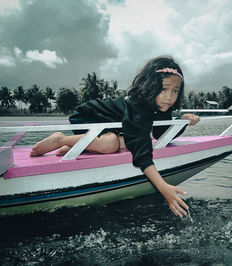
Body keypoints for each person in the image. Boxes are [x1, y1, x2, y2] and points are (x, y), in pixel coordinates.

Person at [30, 56, 200, 217]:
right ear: (150, 85)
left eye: (175, 90)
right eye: (163, 89)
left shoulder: (160, 105)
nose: (169, 97)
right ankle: (60, 139)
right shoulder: (139, 106)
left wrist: (182, 121)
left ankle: (81, 146)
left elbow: (160, 133)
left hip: (113, 125)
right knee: (111, 143)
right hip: (88, 116)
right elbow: (142, 153)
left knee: (125, 142)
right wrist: (163, 188)